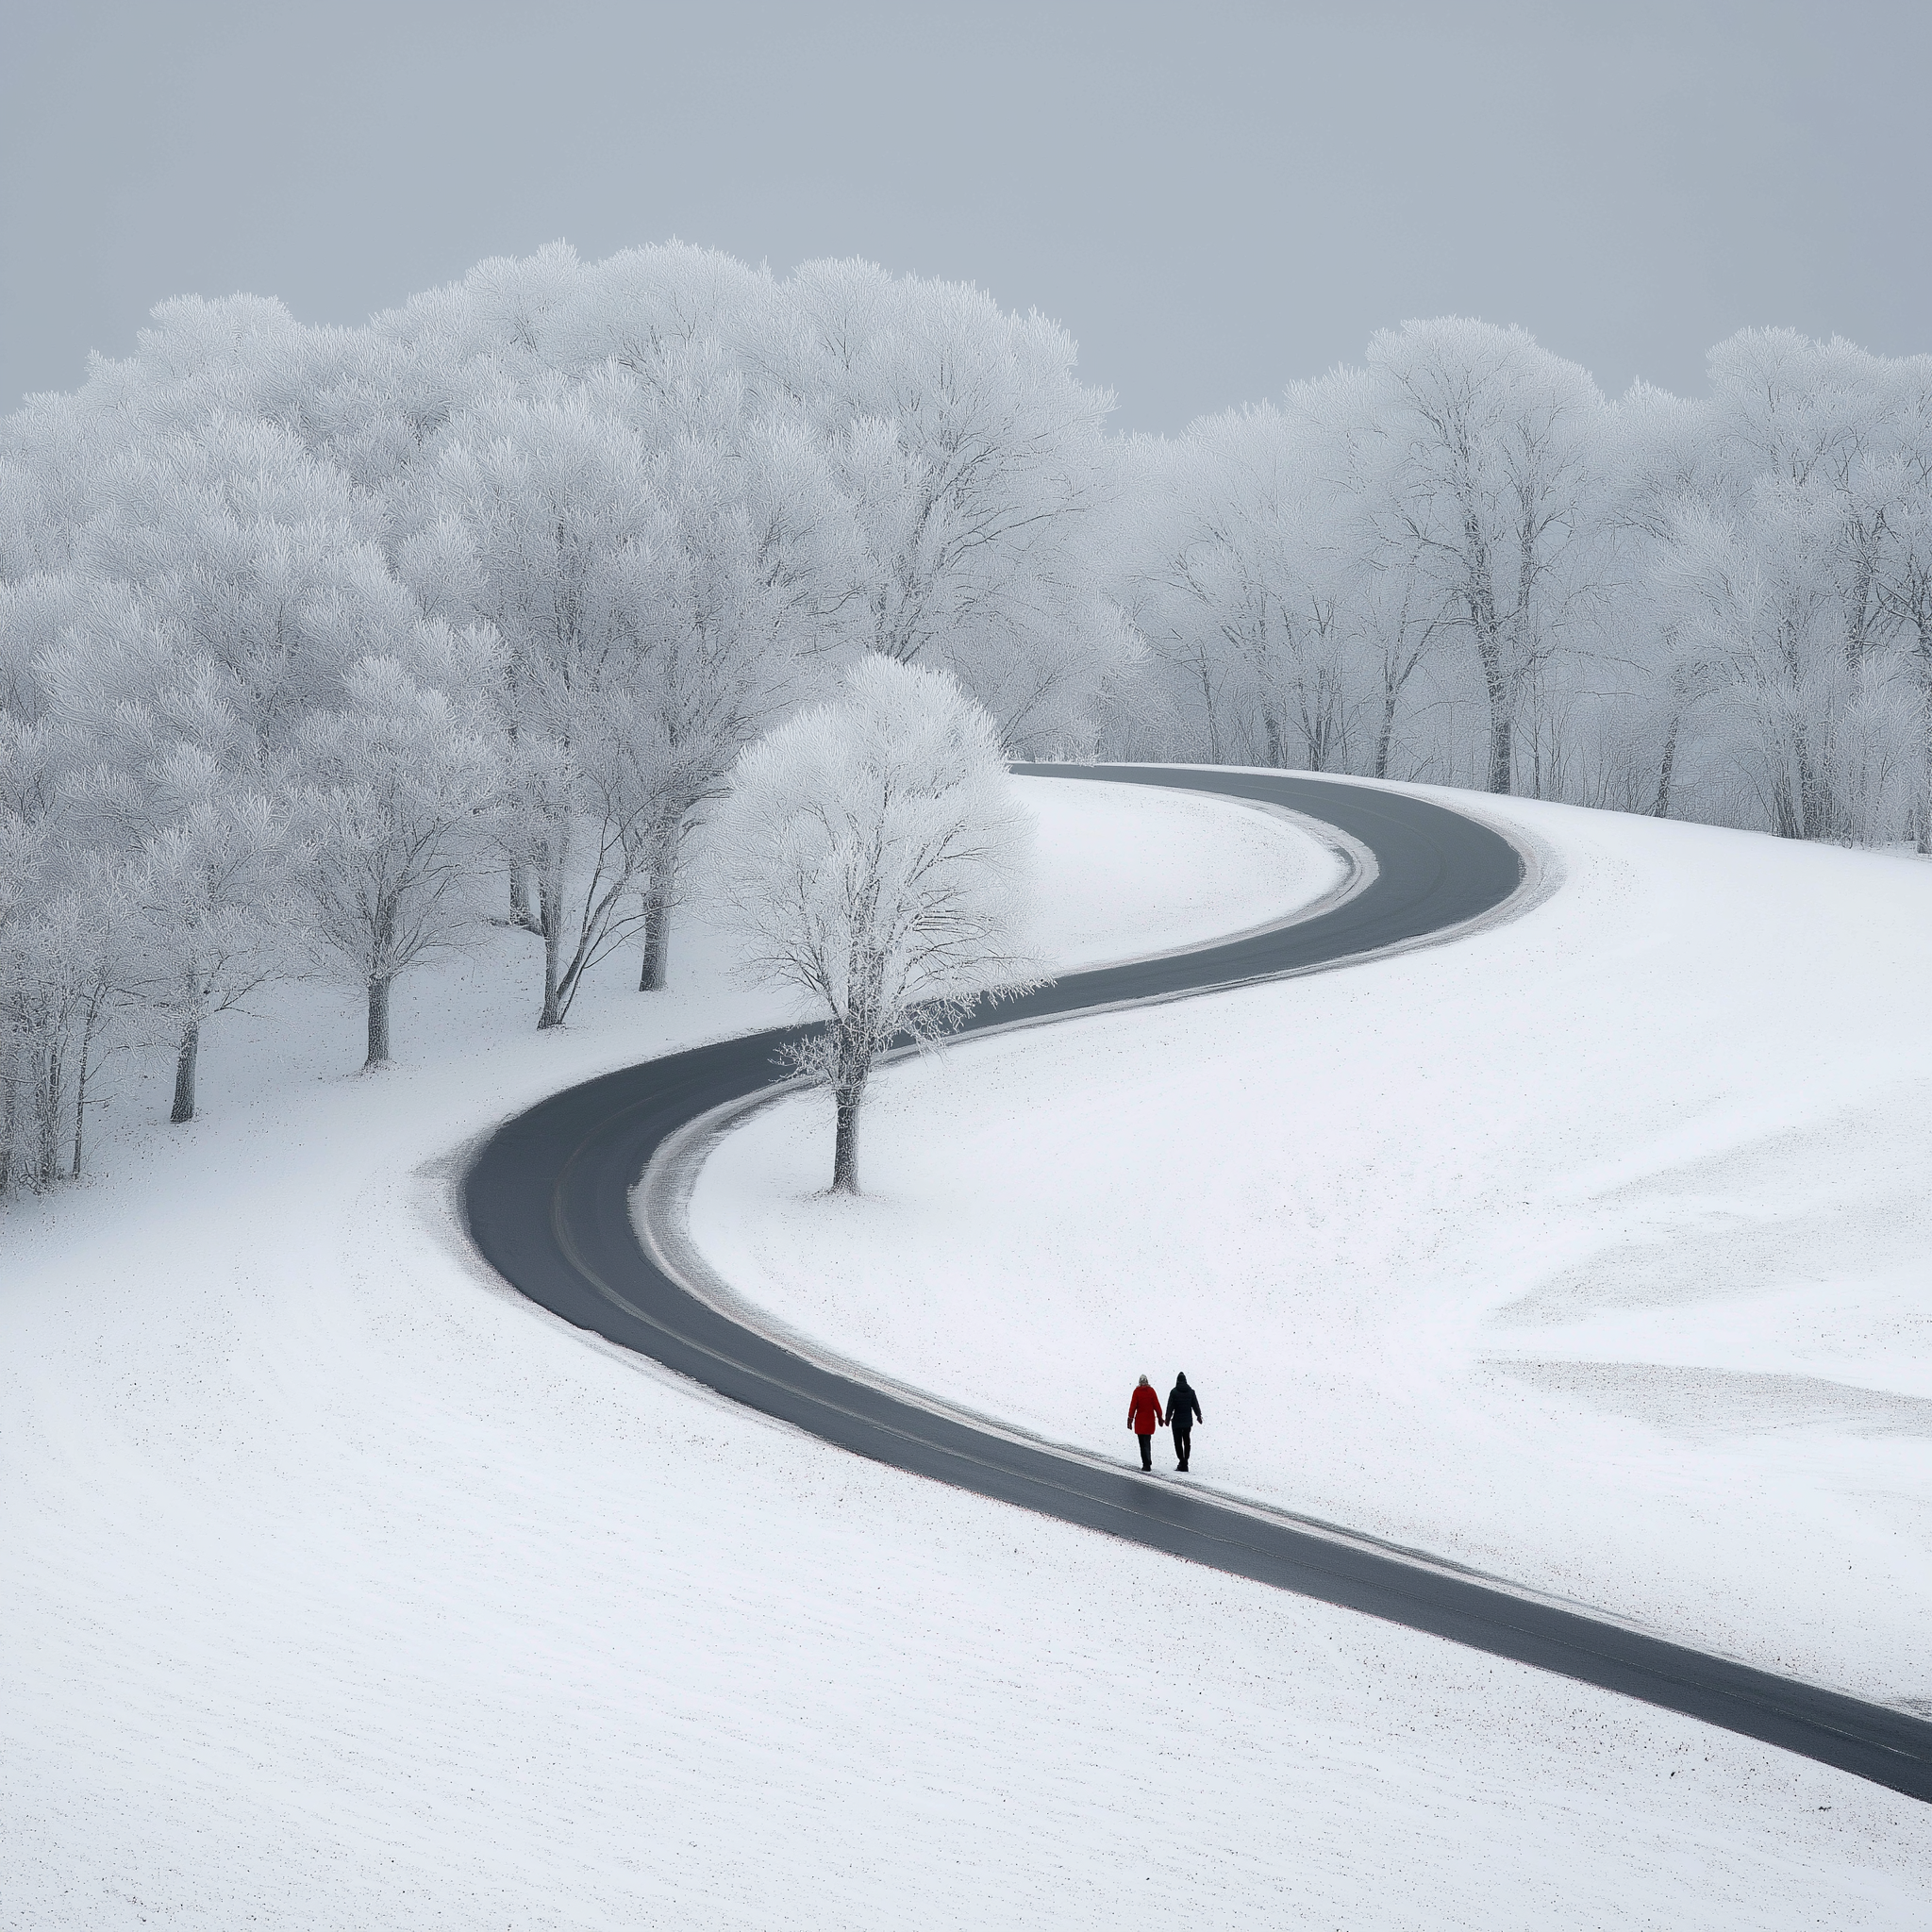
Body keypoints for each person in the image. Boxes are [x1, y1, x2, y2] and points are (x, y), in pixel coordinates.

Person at [1167, 1373, 1203, 1472]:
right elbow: (1195, 1405)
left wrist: (1167, 1418)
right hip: (1187, 1422)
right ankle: (1185, 1461)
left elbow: (1170, 1407)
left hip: (1177, 1422)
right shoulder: (1191, 1392)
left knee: (1178, 1442)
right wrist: (1198, 1416)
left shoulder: (1173, 1392)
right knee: (1187, 1441)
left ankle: (1181, 1461)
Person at [1127, 1374, 1164, 1470]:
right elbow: (1157, 1406)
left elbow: (1133, 1407)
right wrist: (1160, 1418)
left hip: (1140, 1421)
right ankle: (1148, 1460)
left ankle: (1146, 1463)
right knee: (1147, 1442)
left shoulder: (1136, 1392)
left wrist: (1130, 1419)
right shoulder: (1151, 1391)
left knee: (1142, 1443)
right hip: (1149, 1421)